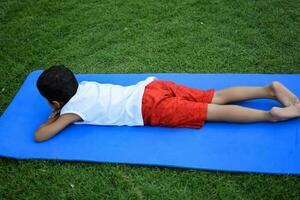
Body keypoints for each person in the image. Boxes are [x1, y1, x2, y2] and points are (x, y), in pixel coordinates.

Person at [35, 65, 300, 142]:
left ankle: (270, 116)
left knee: (213, 112)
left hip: (151, 109)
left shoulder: (71, 111)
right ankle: (269, 89)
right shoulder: (87, 85)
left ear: (56, 102)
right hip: (152, 86)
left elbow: (40, 136)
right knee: (215, 96)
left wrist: (56, 116)